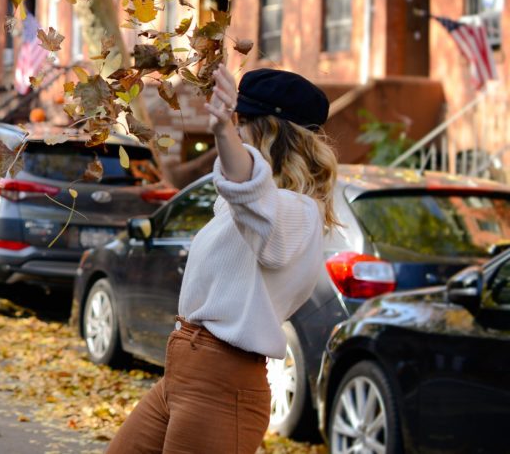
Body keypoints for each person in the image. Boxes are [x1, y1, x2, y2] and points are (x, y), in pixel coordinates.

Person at [106, 65, 338, 454]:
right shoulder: (252, 207)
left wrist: (220, 129)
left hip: (222, 383)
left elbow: (248, 187)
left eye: (242, 121)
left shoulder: (296, 212)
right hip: (184, 371)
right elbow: (246, 191)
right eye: (234, 120)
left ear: (271, 133)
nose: (234, 128)